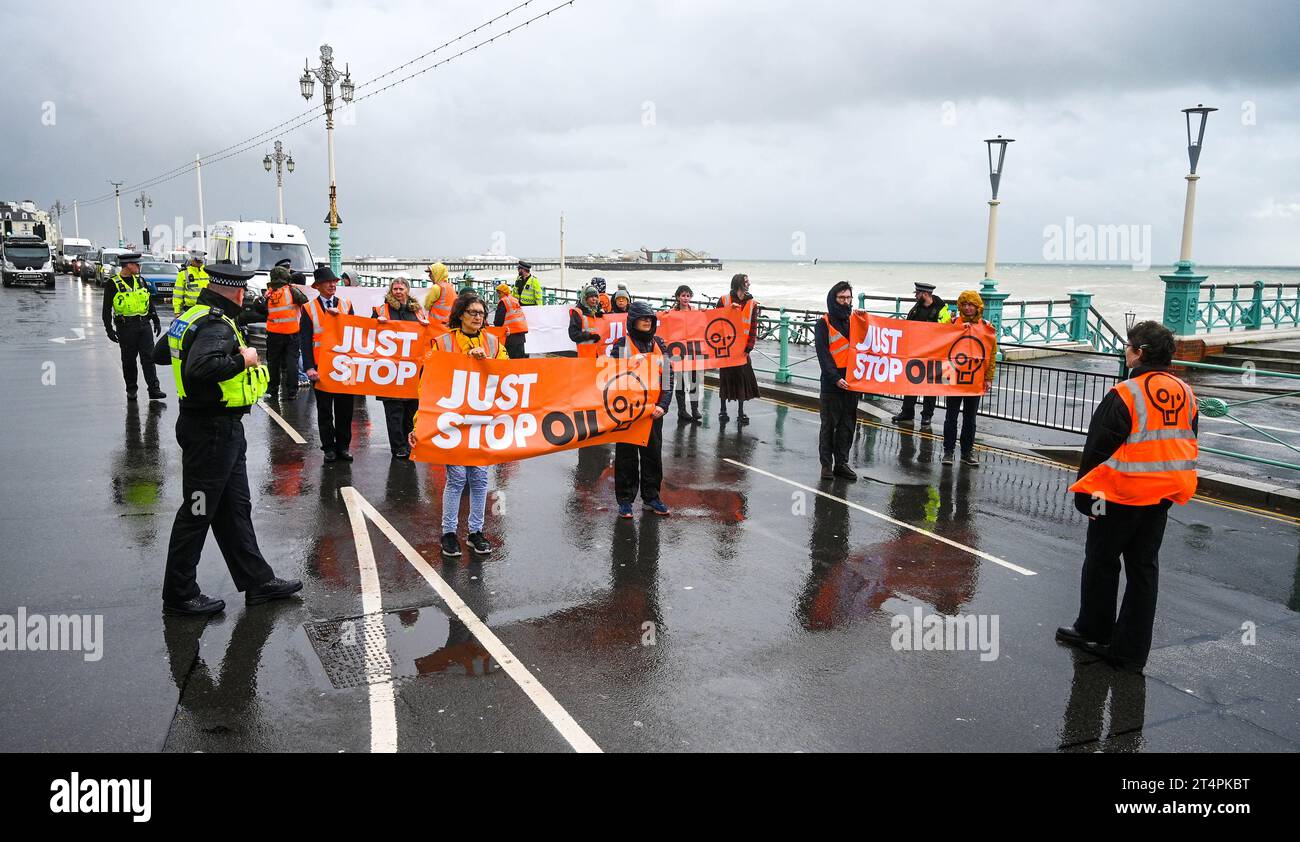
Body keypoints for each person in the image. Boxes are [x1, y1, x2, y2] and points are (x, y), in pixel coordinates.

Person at [151, 262, 302, 615]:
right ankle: (179, 594)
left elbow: (161, 353)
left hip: (217, 429)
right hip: (211, 431)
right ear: (235, 290)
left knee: (235, 508)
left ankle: (257, 581)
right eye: (243, 291)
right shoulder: (215, 324)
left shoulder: (192, 315)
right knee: (197, 510)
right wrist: (242, 358)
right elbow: (200, 368)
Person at [1058, 321, 1198, 674]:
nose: (1125, 350)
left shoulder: (1126, 393)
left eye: (1129, 346)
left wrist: (1087, 496)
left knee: (1102, 562)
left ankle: (1094, 631)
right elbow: (1186, 439)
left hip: (1121, 494)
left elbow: (1097, 451)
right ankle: (1131, 651)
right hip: (1163, 493)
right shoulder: (1186, 391)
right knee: (1143, 569)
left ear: (1140, 353)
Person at [410, 291, 506, 558]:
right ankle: (449, 534)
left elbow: (509, 374)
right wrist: (419, 424)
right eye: (472, 312)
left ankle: (476, 533)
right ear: (460, 314)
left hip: (482, 421)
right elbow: (428, 384)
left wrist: (486, 361)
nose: (478, 317)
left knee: (479, 478)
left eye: (481, 313)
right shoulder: (442, 343)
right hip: (454, 420)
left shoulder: (493, 343)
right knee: (456, 478)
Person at [610, 301, 673, 518]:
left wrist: (663, 406)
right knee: (626, 458)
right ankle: (625, 501)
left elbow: (668, 377)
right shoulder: (621, 345)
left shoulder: (660, 344)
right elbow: (611, 378)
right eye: (643, 318)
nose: (647, 321)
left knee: (652, 457)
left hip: (653, 412)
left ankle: (652, 498)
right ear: (632, 321)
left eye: (650, 318)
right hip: (628, 413)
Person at [301, 266, 357, 462]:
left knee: (345, 410)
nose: (333, 285)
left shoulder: (346, 305)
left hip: (343, 366)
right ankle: (328, 448)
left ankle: (343, 447)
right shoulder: (308, 308)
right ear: (317, 286)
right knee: (325, 410)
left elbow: (355, 334)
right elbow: (305, 340)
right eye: (328, 282)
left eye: (334, 281)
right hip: (320, 367)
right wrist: (308, 367)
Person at [372, 276, 427, 459]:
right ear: (391, 290)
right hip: (390, 370)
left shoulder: (418, 311)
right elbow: (368, 333)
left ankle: (408, 443)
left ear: (407, 291)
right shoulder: (382, 309)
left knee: (411, 410)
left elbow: (426, 335)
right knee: (394, 411)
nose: (397, 291)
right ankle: (398, 447)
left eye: (401, 289)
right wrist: (376, 322)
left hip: (411, 370)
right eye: (395, 289)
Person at [941, 290, 997, 466]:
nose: (967, 308)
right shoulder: (951, 323)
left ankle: (967, 452)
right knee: (951, 416)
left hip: (975, 380)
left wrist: (988, 378)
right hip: (954, 379)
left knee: (970, 418)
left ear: (977, 306)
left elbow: (991, 354)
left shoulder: (986, 327)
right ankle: (948, 452)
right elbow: (939, 346)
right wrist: (944, 376)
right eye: (964, 304)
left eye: (970, 304)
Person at [102, 252, 166, 402]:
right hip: (126, 327)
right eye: (136, 264)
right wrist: (109, 330)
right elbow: (106, 309)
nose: (138, 266)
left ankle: (154, 389)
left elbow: (149, 301)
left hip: (144, 325)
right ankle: (131, 389)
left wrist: (155, 318)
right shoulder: (113, 283)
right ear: (128, 265)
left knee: (149, 358)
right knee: (129, 360)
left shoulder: (141, 281)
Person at [242, 259, 309, 401]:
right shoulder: (291, 291)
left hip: (274, 333)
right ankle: (292, 391)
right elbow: (305, 300)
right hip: (292, 332)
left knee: (273, 362)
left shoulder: (269, 294)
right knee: (292, 361)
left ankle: (272, 389)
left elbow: (261, 309)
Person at [814, 281, 859, 481]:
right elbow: (823, 355)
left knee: (847, 425)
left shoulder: (855, 321)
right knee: (829, 425)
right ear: (834, 299)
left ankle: (842, 463)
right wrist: (835, 378)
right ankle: (826, 465)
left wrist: (866, 320)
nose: (846, 301)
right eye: (842, 298)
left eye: (848, 298)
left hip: (852, 382)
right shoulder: (823, 323)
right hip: (832, 383)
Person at [892, 281, 951, 427]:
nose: (915, 296)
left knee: (931, 387)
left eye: (917, 294)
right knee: (911, 384)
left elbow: (947, 331)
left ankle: (927, 416)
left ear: (925, 294)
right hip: (916, 353)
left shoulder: (941, 311)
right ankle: (907, 412)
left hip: (935, 354)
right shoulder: (915, 309)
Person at [717, 272, 760, 424]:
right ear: (738, 284)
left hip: (742, 350)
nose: (749, 284)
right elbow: (715, 321)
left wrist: (749, 346)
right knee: (725, 380)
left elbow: (754, 326)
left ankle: (741, 412)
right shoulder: (724, 300)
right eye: (746, 281)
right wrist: (729, 310)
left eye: (748, 281)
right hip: (726, 348)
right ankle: (723, 411)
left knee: (742, 380)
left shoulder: (752, 303)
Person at [664, 284, 702, 423]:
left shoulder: (695, 311)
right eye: (683, 295)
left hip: (692, 350)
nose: (685, 298)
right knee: (680, 381)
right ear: (678, 297)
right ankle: (682, 410)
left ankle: (695, 409)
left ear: (690, 297)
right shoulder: (672, 312)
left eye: (688, 295)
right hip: (678, 351)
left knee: (694, 380)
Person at [492, 281, 529, 358]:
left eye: (499, 293)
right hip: (521, 334)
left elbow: (498, 321)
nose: (498, 295)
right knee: (520, 359)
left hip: (510, 335)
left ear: (503, 292)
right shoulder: (514, 299)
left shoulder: (503, 301)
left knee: (510, 359)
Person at [172, 250, 209, 316]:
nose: (200, 262)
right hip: (190, 309)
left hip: (206, 309)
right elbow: (178, 294)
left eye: (201, 260)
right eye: (197, 260)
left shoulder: (208, 272)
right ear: (191, 260)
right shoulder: (184, 273)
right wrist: (177, 312)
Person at [568, 285, 605, 350]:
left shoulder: (599, 311)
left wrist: (603, 317)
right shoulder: (578, 313)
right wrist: (589, 336)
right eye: (591, 296)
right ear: (585, 298)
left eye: (596, 296)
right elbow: (573, 334)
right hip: (586, 353)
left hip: (600, 353)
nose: (594, 299)